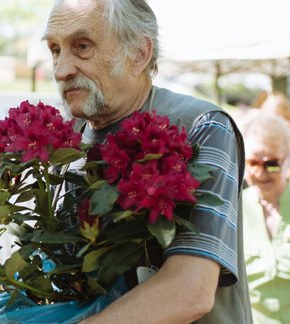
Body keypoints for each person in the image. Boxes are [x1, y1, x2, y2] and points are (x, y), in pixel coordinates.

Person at [43, 1, 251, 323]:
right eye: (56, 49)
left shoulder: (201, 126)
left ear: (139, 53)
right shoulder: (65, 142)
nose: (61, 69)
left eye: (82, 47)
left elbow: (189, 290)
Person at [239, 112, 290, 323]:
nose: (261, 173)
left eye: (271, 163)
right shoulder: (233, 212)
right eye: (252, 163)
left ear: (287, 160)